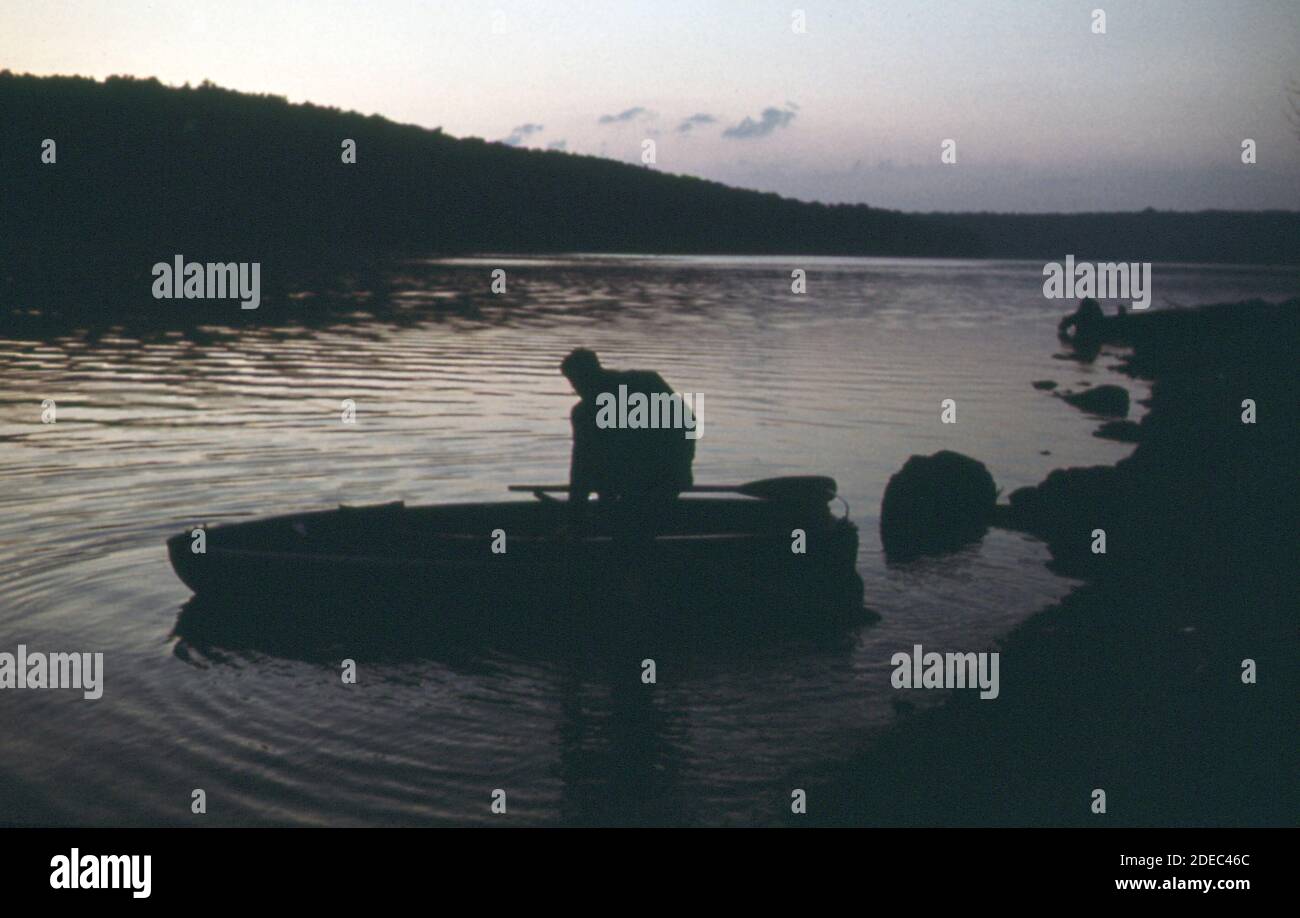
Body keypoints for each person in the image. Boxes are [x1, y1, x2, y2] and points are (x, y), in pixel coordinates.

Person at [559, 348, 695, 535]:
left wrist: (679, 467)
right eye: (573, 384)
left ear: (592, 374)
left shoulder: (645, 384)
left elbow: (686, 424)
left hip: (663, 477)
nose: (576, 389)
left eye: (577, 382)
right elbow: (581, 464)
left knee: (634, 522)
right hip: (622, 481)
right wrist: (576, 512)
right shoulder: (584, 412)